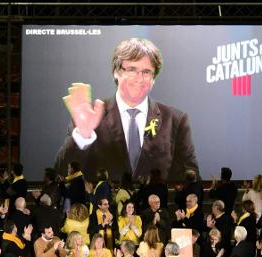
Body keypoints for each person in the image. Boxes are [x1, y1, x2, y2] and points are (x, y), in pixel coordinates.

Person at [55, 37, 199, 181]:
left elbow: (189, 176)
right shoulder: (90, 116)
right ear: (116, 72)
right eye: (131, 70)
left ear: (154, 78)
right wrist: (83, 136)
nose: (139, 78)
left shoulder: (175, 120)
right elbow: (61, 173)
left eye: (147, 72)